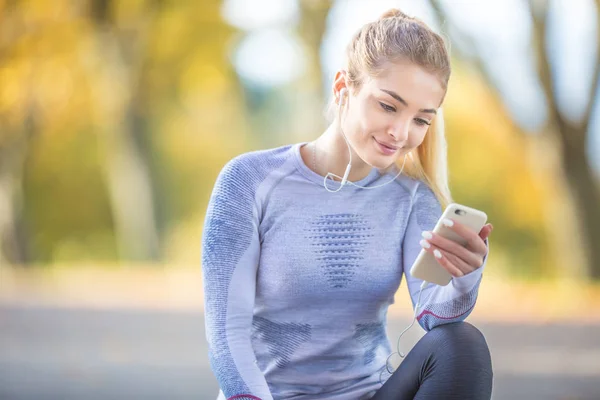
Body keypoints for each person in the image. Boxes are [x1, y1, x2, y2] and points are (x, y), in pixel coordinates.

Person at [201, 8, 494, 400]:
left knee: (463, 344)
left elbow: (434, 315)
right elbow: (226, 332)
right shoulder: (250, 181)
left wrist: (464, 277)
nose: (401, 133)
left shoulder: (410, 197)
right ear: (343, 88)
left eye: (421, 120)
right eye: (388, 106)